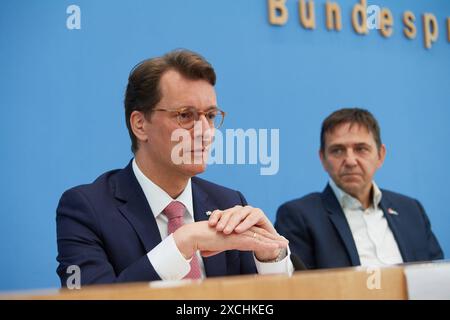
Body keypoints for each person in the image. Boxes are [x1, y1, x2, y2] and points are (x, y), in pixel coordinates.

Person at [56, 49, 293, 287]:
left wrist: (270, 256)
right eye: (185, 115)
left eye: (210, 116)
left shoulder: (229, 202)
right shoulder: (86, 209)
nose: (205, 132)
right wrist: (182, 243)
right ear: (140, 125)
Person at [275, 108, 443, 269]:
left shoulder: (411, 210)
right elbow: (298, 290)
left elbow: (436, 278)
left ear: (380, 155)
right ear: (323, 158)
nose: (350, 161)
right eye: (338, 150)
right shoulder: (299, 216)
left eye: (361, 149)